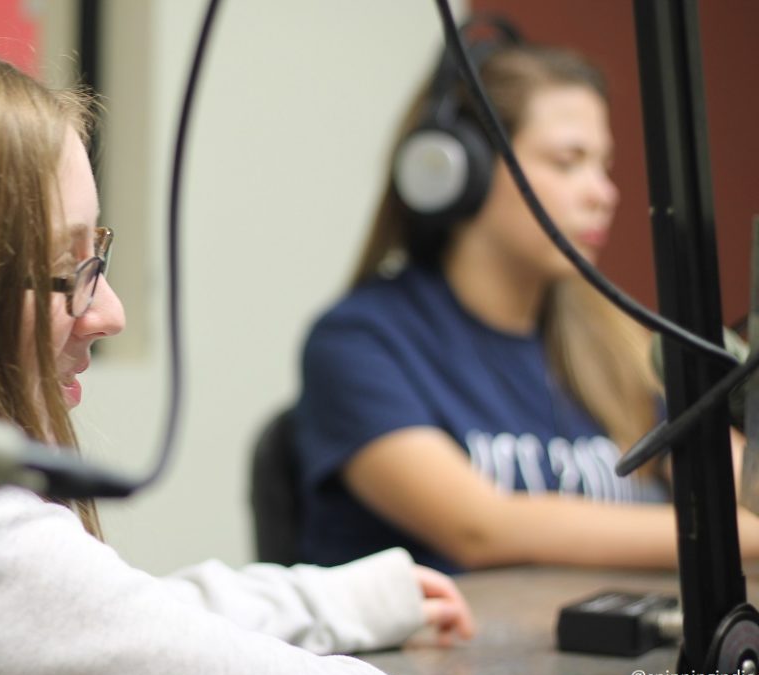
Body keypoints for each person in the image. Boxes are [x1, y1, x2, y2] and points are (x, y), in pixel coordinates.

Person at [0, 40, 473, 675]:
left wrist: (333, 600)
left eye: (99, 255)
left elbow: (102, 620)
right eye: (66, 264)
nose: (109, 313)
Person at [292, 29, 759, 575]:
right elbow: (479, 529)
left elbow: (739, 490)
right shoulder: (359, 342)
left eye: (603, 165)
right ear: (459, 174)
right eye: (568, 162)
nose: (604, 194)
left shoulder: (614, 342)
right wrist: (736, 534)